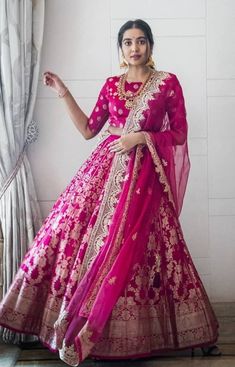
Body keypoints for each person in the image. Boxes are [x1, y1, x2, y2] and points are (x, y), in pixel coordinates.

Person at [0, 19, 220, 366]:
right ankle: (55, 322)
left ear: (150, 45)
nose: (135, 48)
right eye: (128, 42)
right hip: (104, 169)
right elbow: (90, 130)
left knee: (153, 248)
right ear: (121, 48)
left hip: (144, 178)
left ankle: (141, 334)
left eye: (141, 41)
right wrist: (63, 91)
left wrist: (142, 137)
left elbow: (178, 133)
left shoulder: (167, 84)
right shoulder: (110, 85)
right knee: (64, 230)